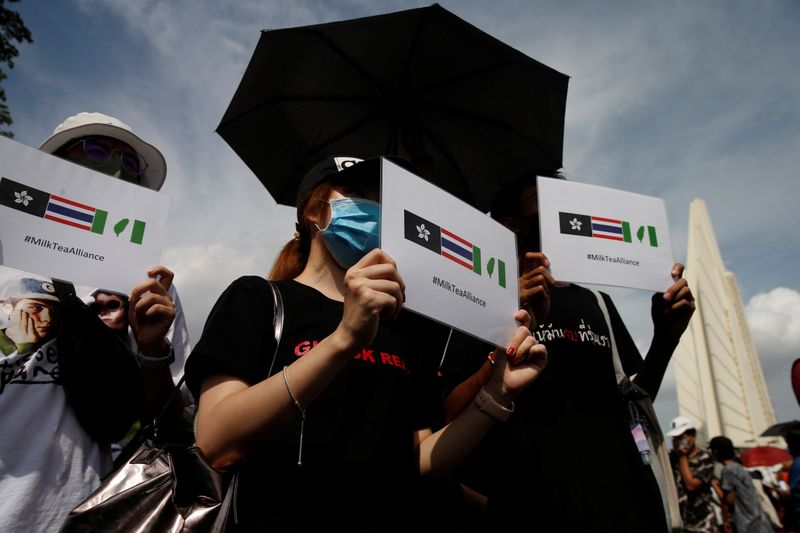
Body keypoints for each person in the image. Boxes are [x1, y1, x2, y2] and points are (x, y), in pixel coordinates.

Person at [185, 156, 548, 531]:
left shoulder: (401, 324)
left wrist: (497, 394)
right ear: (314, 210)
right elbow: (215, 440)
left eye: (383, 202)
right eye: (357, 193)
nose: (373, 209)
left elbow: (417, 465)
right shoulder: (257, 298)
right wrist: (344, 339)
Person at [439, 172, 696, 532]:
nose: (562, 209)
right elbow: (448, 413)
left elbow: (632, 401)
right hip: (531, 509)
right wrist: (503, 340)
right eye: (542, 198)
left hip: (628, 506)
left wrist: (667, 338)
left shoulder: (597, 302)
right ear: (510, 226)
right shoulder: (481, 301)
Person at [0, 112, 189, 532]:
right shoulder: (3, 253)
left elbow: (169, 423)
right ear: (52, 168)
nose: (118, 169)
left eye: (132, 165)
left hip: (82, 514)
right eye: (96, 149)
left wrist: (154, 351)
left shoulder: (151, 286)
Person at [709, 435, 776, 533]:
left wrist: (715, 485)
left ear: (715, 451)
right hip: (759, 521)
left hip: (748, 523)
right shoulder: (739, 467)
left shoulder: (728, 470)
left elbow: (729, 500)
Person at [667, 415, 721, 532]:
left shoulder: (705, 458)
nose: (678, 442)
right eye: (675, 438)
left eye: (682, 437)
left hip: (703, 522)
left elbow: (691, 485)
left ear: (693, 436)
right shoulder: (671, 457)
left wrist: (682, 456)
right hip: (681, 523)